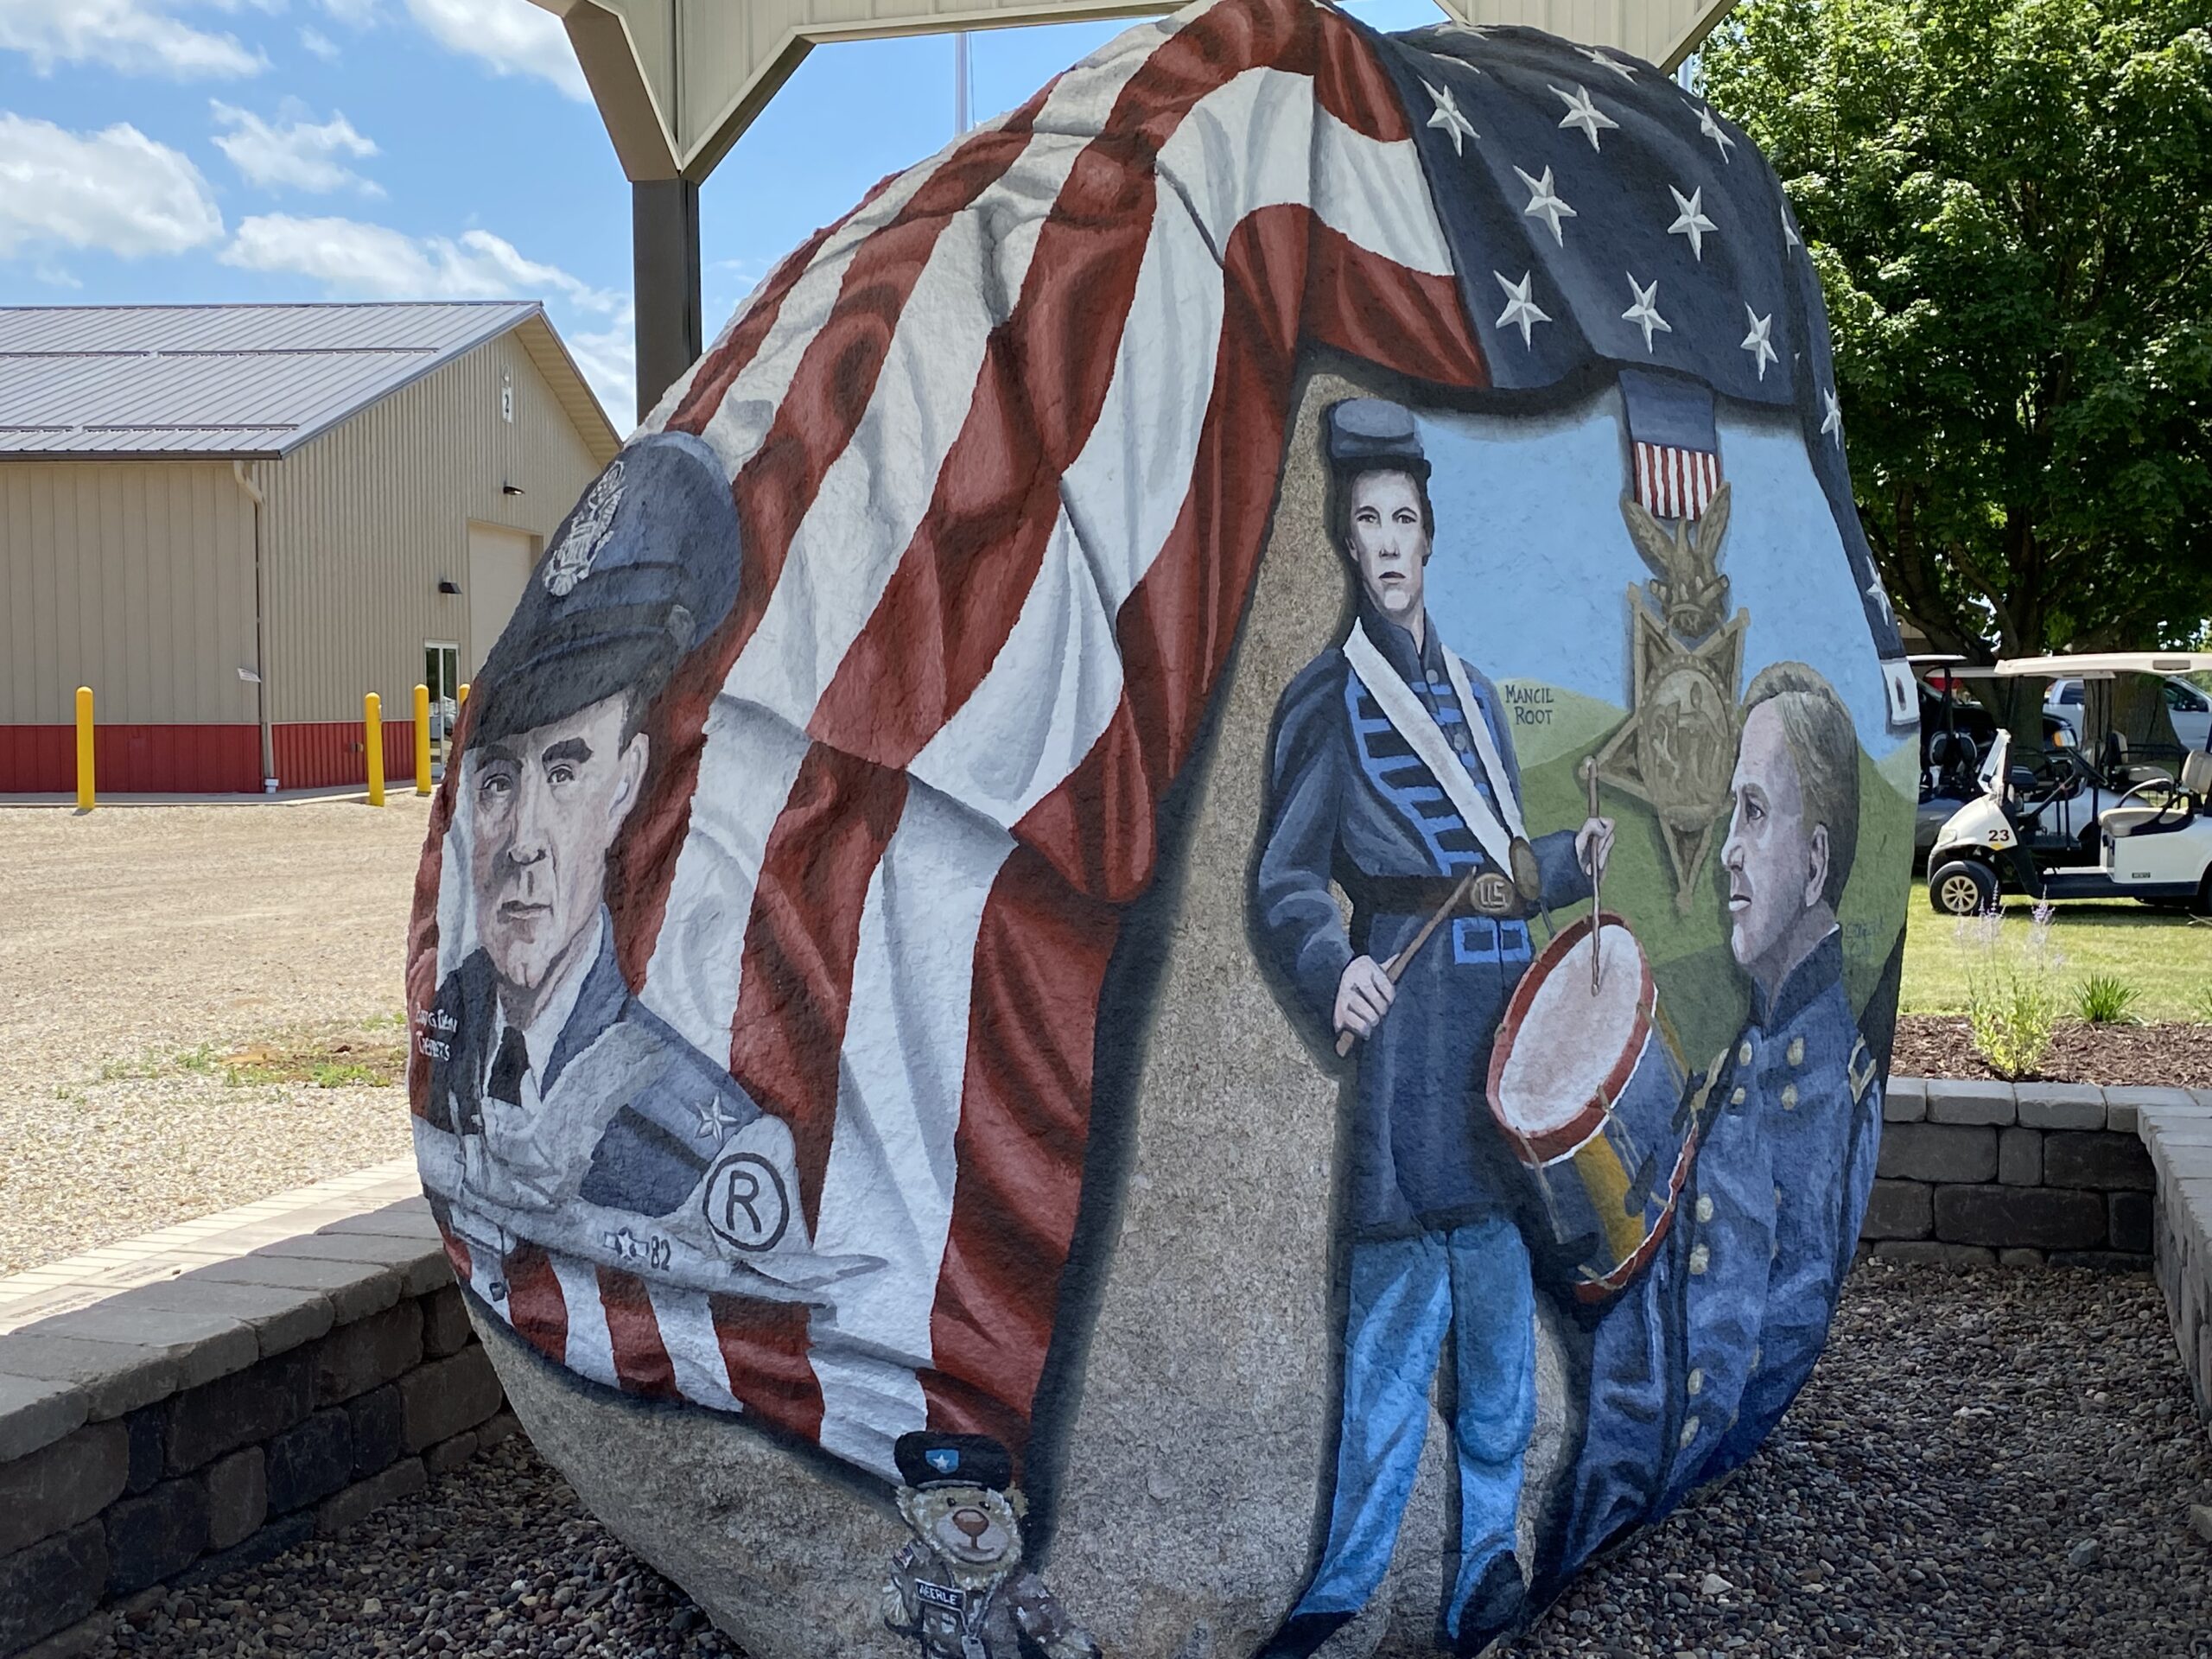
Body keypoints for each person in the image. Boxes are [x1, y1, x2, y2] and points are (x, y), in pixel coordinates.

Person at [1249, 399, 1613, 1658]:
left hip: (1501, 1027)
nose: (1389, 539)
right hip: (1412, 1039)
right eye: (1368, 519)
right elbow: (1287, 878)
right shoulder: (1329, 700)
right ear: (1347, 541)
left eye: (1405, 517)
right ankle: (1343, 1587)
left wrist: (1570, 861)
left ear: (1428, 535)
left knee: (1502, 1320)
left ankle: (1483, 1576)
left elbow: (1501, 866)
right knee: (1397, 1321)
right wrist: (1329, 960)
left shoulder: (1475, 697)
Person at [413, 431, 804, 1289]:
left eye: (564, 772)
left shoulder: (695, 1141)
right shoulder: (451, 1040)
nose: (522, 839)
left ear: (625, 782)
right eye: (497, 781)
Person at [1549, 660, 1882, 1581]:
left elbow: (1769, 1340)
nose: (1728, 847)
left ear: (1814, 863)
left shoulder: (1827, 1094)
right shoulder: (1749, 1052)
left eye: (1751, 812)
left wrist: (1620, 1497)